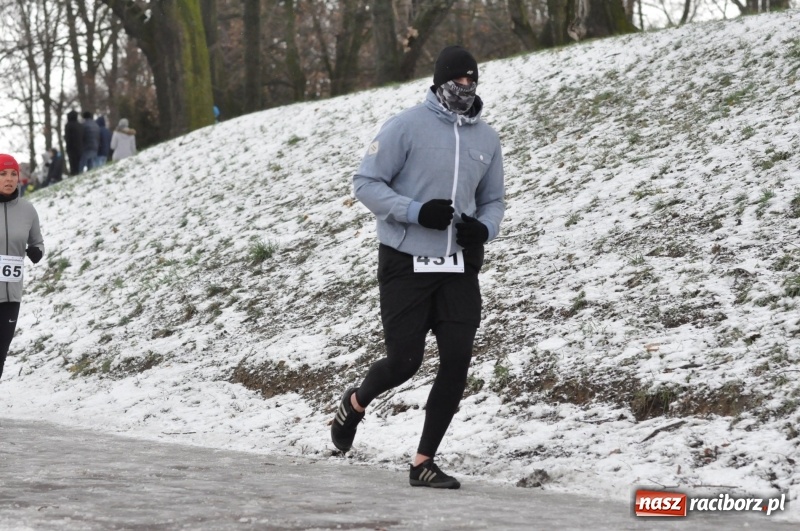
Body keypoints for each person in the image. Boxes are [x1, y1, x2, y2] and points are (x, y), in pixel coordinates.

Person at [331, 46, 505, 489]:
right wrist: (414, 211)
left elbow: (494, 200)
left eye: (472, 82)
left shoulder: (487, 139)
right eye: (458, 82)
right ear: (439, 82)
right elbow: (365, 184)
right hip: (406, 262)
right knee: (404, 362)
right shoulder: (405, 125)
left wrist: (483, 230)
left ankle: (423, 461)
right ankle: (355, 402)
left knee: (456, 363)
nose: (465, 90)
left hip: (459, 266)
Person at [0, 154, 44, 381]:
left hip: (11, 297)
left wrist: (37, 252)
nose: (9, 179)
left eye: (13, 174)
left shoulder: (27, 210)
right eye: (2, 174)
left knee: (0, 355)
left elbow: (37, 242)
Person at [64, 110, 83, 176]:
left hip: (71, 148)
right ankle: (78, 173)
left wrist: (67, 147)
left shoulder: (68, 125)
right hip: (80, 147)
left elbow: (68, 137)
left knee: (72, 164)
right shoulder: (80, 125)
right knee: (78, 163)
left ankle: (74, 174)